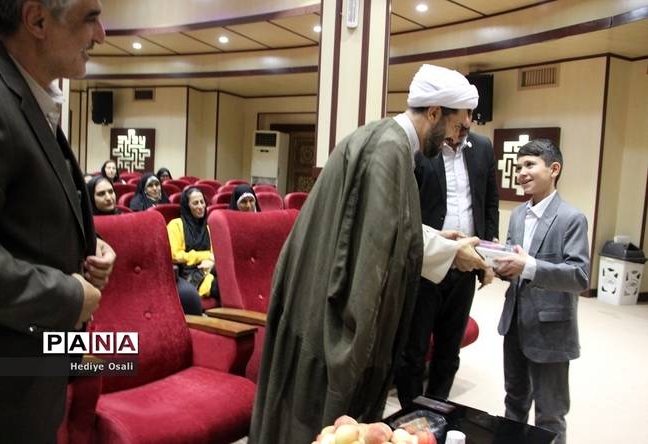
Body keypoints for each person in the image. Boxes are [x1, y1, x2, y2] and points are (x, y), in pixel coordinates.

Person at [249, 64, 489, 444]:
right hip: (325, 307)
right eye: (458, 127)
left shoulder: (385, 139)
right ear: (434, 112)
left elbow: (383, 224)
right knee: (329, 427)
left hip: (313, 286)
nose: (455, 140)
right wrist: (450, 253)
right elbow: (379, 242)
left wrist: (438, 239)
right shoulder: (388, 150)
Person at [0, 0, 115, 441]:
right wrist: (67, 294)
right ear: (36, 20)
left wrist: (87, 247)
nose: (101, 34)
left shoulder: (22, 87)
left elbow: (23, 216)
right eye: (90, 18)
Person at [494, 139, 589, 444]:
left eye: (530, 165)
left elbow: (579, 276)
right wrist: (500, 264)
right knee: (514, 402)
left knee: (549, 415)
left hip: (551, 330)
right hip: (514, 324)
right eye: (518, 166)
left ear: (554, 169)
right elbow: (515, 265)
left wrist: (529, 266)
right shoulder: (517, 215)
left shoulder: (571, 218)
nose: (521, 172)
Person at [395, 127, 499, 406]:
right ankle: (409, 413)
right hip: (427, 263)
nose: (464, 123)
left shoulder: (482, 147)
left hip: (465, 265)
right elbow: (405, 207)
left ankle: (436, 409)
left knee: (449, 349)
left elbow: (490, 203)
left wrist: (487, 257)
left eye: (469, 115)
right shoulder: (422, 145)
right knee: (414, 349)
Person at [167, 187, 218, 315]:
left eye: (202, 202)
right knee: (223, 288)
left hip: (208, 270)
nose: (200, 206)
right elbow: (175, 255)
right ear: (187, 206)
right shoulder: (176, 225)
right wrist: (204, 256)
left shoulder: (207, 228)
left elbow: (214, 254)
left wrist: (211, 262)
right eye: (195, 203)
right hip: (187, 274)